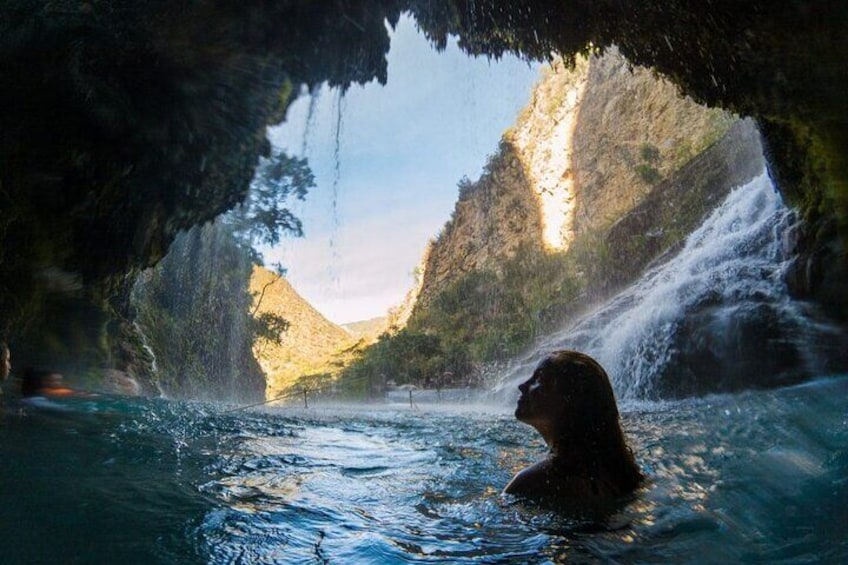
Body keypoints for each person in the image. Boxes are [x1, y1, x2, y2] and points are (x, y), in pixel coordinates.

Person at [504, 350, 642, 513]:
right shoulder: (623, 477)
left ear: (568, 400)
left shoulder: (532, 482)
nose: (522, 385)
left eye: (539, 379)